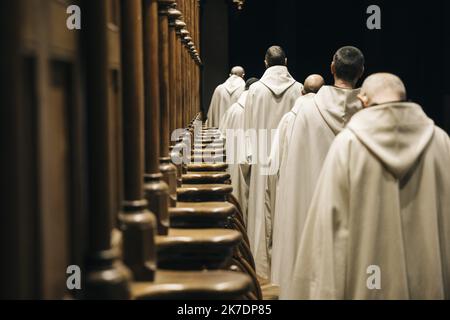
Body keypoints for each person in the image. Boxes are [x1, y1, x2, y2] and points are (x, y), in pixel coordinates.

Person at [285, 73, 450, 299]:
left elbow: (329, 229)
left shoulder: (348, 145)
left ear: (362, 101)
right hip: (430, 283)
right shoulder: (441, 142)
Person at [272, 46, 364, 289]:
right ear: (361, 72)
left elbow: (287, 169)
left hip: (309, 213)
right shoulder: (370, 115)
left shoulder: (304, 110)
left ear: (332, 68)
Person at [244, 45, 303, 279]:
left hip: (260, 156)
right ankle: (286, 264)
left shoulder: (256, 90)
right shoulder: (298, 89)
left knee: (260, 210)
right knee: (285, 206)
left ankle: (261, 264)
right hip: (287, 157)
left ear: (265, 63)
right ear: (286, 62)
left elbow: (247, 131)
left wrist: (246, 164)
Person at [264, 74, 324, 279]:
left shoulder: (290, 118)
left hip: (294, 195)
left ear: (302, 91)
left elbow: (273, 165)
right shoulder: (334, 116)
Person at [220, 77, 259, 223]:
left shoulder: (233, 109)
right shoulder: (257, 109)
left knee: (239, 200)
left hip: (235, 162)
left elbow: (222, 137)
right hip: (257, 162)